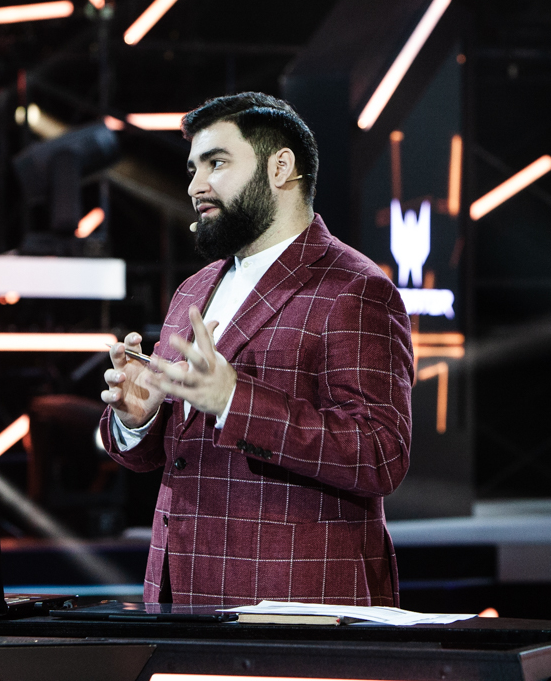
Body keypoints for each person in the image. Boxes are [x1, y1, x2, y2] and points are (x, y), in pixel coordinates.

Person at [98, 92, 413, 606]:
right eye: (193, 169)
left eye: (217, 163)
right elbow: (176, 456)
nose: (195, 186)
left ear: (280, 167)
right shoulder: (194, 289)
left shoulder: (355, 289)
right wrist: (139, 421)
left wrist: (233, 400)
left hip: (295, 606)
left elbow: (381, 453)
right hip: (179, 600)